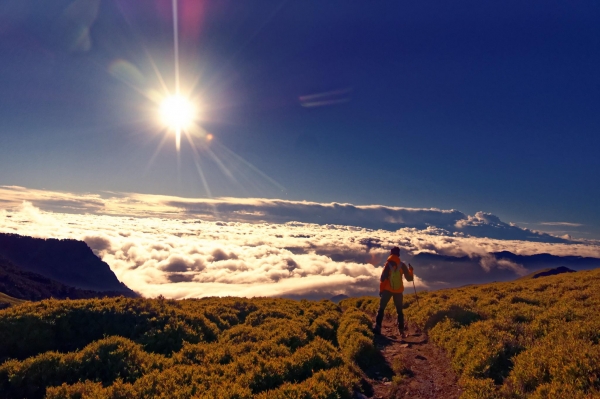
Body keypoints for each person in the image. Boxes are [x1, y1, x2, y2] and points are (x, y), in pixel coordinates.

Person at [373, 246, 414, 337]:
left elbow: (383, 279)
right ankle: (401, 331)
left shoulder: (388, 264)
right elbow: (409, 279)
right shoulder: (402, 265)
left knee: (381, 308)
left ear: (391, 253)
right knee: (399, 311)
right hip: (398, 291)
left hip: (387, 290)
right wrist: (411, 270)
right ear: (398, 254)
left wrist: (381, 290)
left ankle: (378, 327)